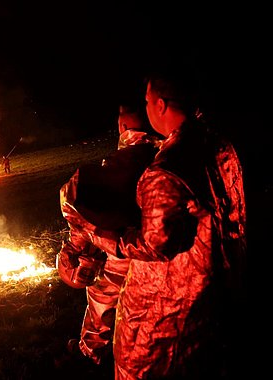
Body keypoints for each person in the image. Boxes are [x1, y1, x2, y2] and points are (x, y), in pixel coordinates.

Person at [61, 67, 247, 379]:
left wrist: (99, 233)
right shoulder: (217, 144)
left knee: (148, 366)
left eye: (148, 102)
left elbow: (155, 244)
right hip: (221, 288)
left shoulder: (164, 170)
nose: (147, 109)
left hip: (172, 305)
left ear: (160, 104)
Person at [56, 101, 160, 366]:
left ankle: (93, 351)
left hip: (128, 248)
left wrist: (81, 240)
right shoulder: (167, 151)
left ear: (123, 126)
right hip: (144, 246)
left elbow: (81, 204)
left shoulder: (130, 156)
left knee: (102, 298)